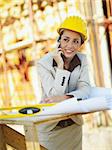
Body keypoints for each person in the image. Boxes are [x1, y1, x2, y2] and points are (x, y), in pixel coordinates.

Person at [37, 16, 91, 150]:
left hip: (73, 126)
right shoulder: (44, 64)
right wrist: (60, 67)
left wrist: (66, 98)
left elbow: (85, 89)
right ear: (59, 40)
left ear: (80, 45)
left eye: (75, 41)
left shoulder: (82, 60)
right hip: (51, 128)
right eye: (66, 39)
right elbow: (53, 96)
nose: (70, 46)